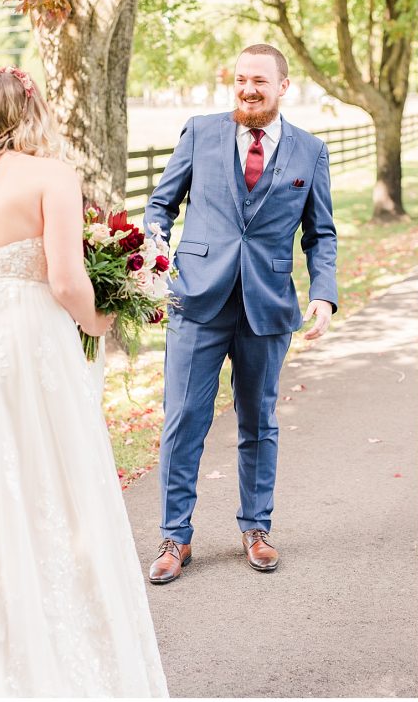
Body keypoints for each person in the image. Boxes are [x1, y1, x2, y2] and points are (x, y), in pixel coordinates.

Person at [0, 67, 168, 697]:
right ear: (35, 111)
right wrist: (103, 318)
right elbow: (64, 281)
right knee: (50, 483)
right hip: (29, 349)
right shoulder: (52, 176)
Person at [144, 44, 337, 584]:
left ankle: (256, 528)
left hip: (268, 305)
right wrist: (155, 264)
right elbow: (160, 205)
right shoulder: (200, 132)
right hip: (197, 300)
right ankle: (174, 537)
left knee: (259, 422)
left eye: (260, 81)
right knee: (184, 421)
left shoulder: (309, 151)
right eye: (240, 79)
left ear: (283, 87)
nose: (248, 89)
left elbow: (320, 233)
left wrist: (323, 292)